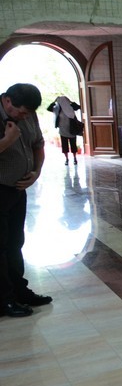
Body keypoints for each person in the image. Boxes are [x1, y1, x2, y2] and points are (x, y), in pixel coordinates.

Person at [0, 83, 52, 317]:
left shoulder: (29, 116)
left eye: (29, 113)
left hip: (17, 191)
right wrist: (8, 139)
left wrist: (36, 172)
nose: (25, 117)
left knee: (15, 243)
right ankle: (4, 299)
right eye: (21, 112)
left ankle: (20, 291)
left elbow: (38, 145)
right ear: (7, 101)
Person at [46, 95, 81, 166]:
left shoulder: (70, 107)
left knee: (73, 145)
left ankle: (75, 158)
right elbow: (49, 108)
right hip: (62, 130)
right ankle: (67, 159)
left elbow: (78, 107)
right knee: (64, 146)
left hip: (72, 129)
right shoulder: (57, 109)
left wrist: (70, 101)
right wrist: (54, 101)